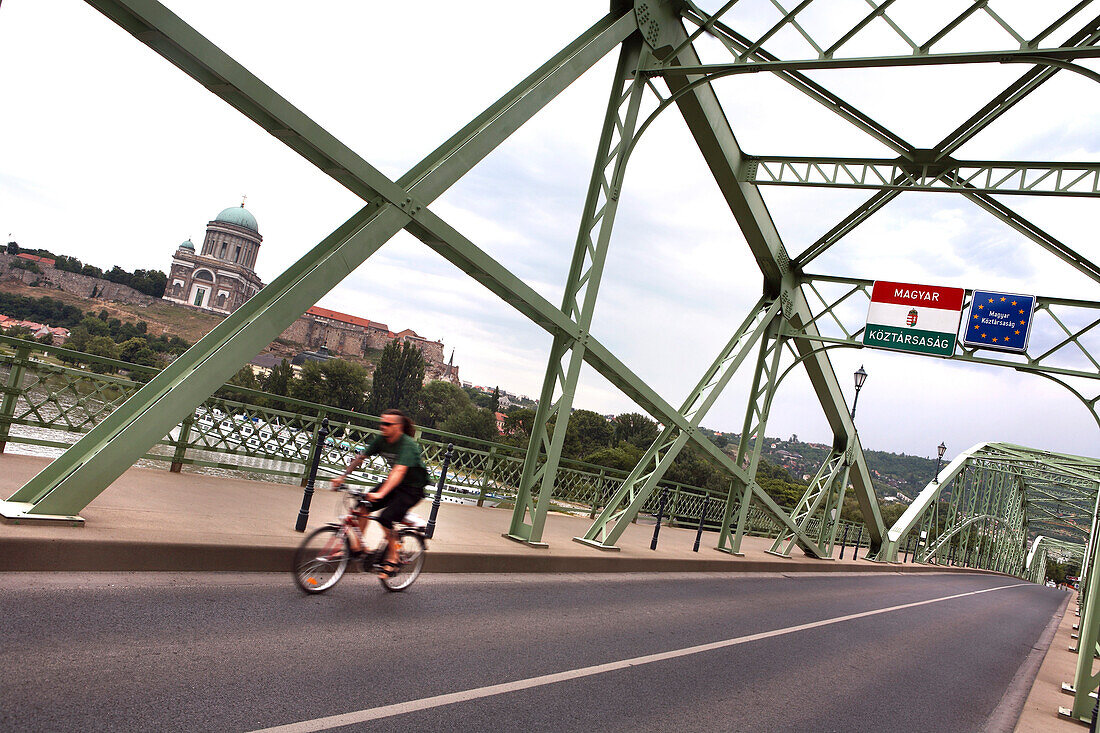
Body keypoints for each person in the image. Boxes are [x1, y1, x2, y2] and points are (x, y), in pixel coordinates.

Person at [331, 409, 428, 578]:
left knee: (386, 517)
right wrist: (343, 477)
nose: (383, 427)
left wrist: (380, 494)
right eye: (382, 423)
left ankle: (394, 558)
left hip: (413, 489)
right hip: (395, 484)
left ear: (398, 427)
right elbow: (361, 457)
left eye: (387, 424)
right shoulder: (382, 440)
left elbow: (398, 471)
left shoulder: (408, 445)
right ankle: (359, 548)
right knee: (363, 506)